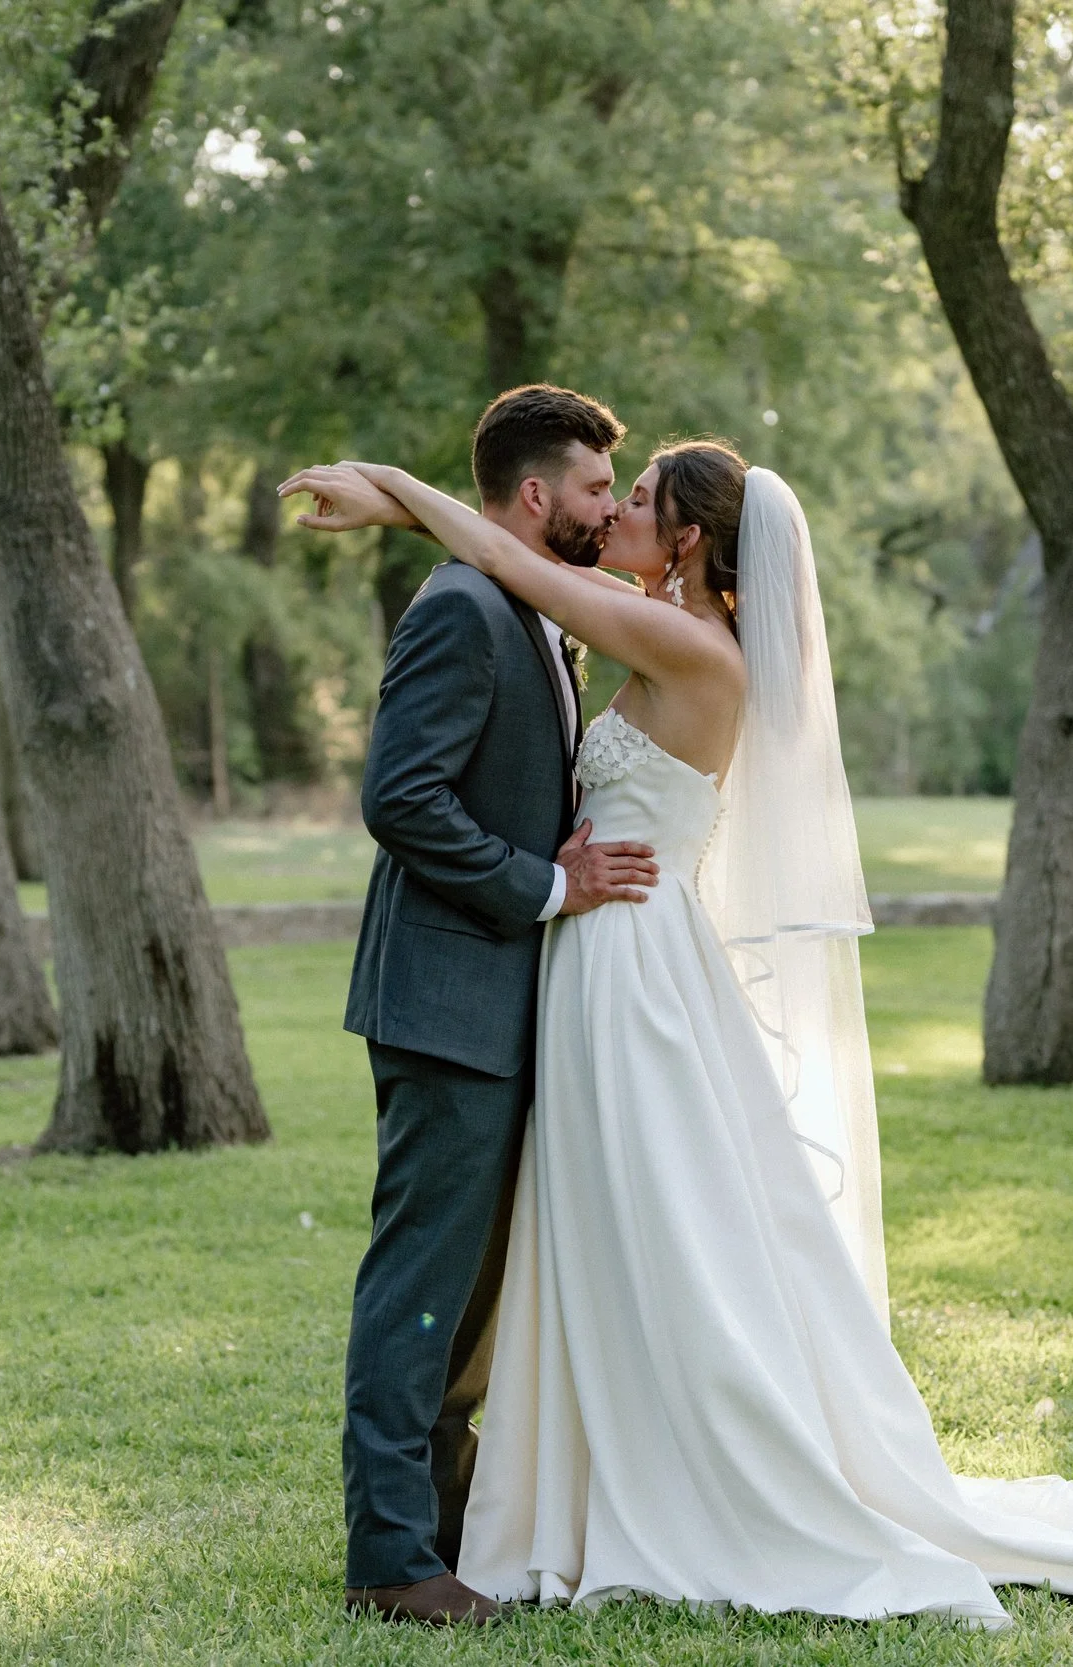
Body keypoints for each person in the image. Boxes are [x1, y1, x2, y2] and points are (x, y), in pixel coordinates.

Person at [281, 435, 1073, 1628]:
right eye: (601, 489)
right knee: (593, 1235)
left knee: (652, 1229)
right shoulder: (643, 618)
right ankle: (530, 1493)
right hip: (594, 956)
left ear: (684, 541)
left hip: (630, 964)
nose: (613, 508)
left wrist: (397, 494)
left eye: (639, 498)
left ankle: (642, 1481)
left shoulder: (682, 641)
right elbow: (515, 574)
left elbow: (520, 567)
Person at [312, 386, 661, 1626]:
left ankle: (448, 1530)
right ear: (531, 496)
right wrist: (546, 881)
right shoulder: (464, 607)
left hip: (501, 1007)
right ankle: (388, 1559)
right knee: (422, 1282)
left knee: (470, 1298)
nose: (608, 507)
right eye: (591, 490)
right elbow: (401, 797)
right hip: (445, 1000)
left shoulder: (534, 610)